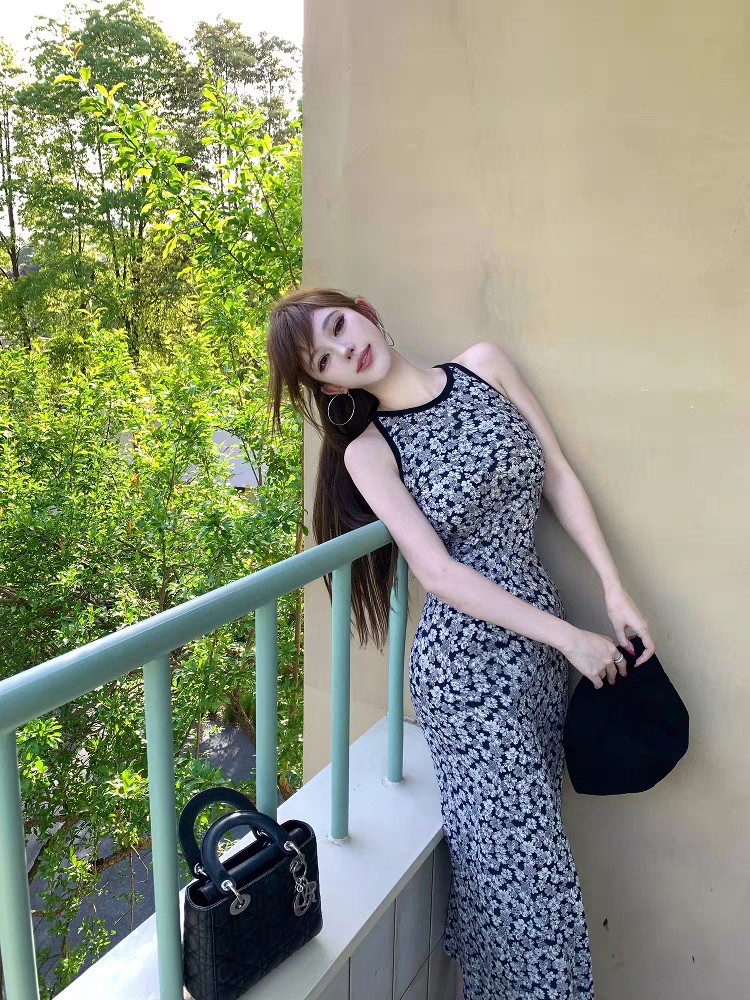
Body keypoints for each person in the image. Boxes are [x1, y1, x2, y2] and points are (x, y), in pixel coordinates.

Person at [265, 287, 655, 1000]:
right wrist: (572, 639)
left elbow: (558, 475)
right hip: (468, 678)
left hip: (537, 659)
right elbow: (439, 575)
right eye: (325, 359)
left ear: (364, 310)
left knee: (511, 879)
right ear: (331, 386)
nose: (345, 348)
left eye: (338, 326)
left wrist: (613, 589)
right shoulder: (370, 452)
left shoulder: (484, 366)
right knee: (532, 890)